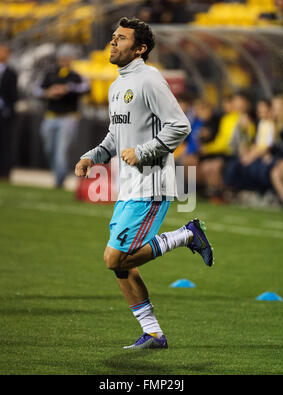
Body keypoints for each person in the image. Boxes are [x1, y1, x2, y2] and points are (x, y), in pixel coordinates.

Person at [75, 17, 214, 350]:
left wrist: (144, 151)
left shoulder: (150, 80)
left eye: (121, 39)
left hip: (152, 186)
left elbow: (180, 126)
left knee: (114, 258)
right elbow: (114, 135)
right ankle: (153, 333)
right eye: (113, 37)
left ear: (140, 49)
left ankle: (185, 235)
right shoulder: (116, 85)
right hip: (129, 187)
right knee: (122, 266)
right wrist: (92, 156)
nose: (113, 42)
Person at [34, 44, 90, 188]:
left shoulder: (76, 75)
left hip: (68, 117)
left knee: (61, 150)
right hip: (50, 116)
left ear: (72, 59)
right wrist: (48, 92)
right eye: (63, 58)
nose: (65, 60)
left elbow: (86, 87)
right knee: (49, 148)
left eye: (67, 57)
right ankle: (57, 174)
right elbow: (36, 89)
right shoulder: (49, 74)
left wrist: (67, 88)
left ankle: (59, 180)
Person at [0, 44, 18, 181]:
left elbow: (13, 95)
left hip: (4, 112)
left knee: (5, 143)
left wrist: (3, 106)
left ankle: (5, 172)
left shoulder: (11, 73)